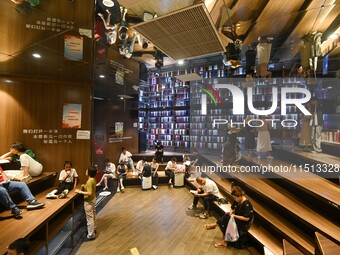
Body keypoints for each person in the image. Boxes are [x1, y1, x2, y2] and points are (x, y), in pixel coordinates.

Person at [75, 166, 97, 241]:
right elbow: (91, 188)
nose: (86, 171)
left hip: (89, 201)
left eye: (87, 170)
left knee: (89, 218)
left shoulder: (89, 181)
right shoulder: (92, 179)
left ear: (89, 172)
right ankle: (94, 229)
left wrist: (80, 191)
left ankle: (91, 235)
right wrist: (85, 186)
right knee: (93, 215)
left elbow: (90, 193)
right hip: (93, 199)